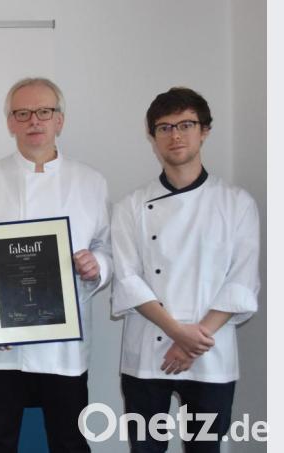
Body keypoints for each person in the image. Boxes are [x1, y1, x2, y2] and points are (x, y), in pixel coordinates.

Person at [0, 77, 112, 453]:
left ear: (59, 120)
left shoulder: (90, 182)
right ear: (10, 123)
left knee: (70, 441)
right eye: (22, 113)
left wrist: (96, 264)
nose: (33, 121)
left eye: (43, 112)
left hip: (64, 345)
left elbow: (106, 249)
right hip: (2, 342)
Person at [111, 87, 259, 452]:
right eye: (164, 127)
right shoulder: (130, 206)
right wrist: (178, 333)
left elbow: (241, 281)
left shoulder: (236, 203)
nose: (175, 135)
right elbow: (128, 279)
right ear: (152, 136)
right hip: (148, 353)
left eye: (186, 124)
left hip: (211, 354)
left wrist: (192, 343)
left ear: (204, 130)